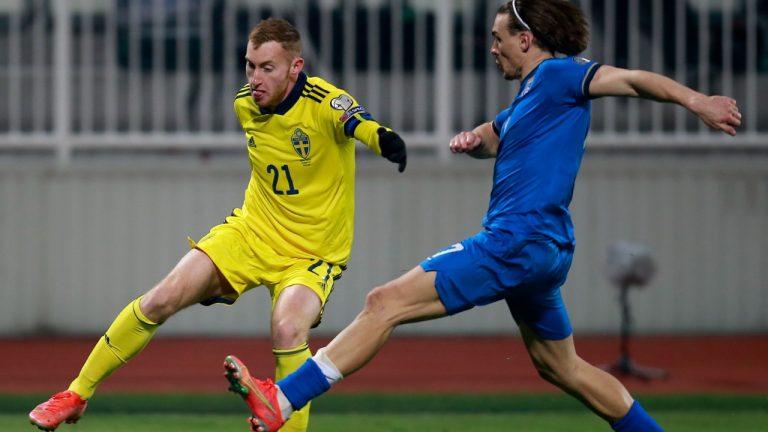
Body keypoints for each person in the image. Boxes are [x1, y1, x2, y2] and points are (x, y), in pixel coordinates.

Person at [225, 1, 743, 431]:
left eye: (499, 37)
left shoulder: (561, 74)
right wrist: (475, 140)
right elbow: (495, 135)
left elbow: (631, 80)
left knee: (385, 302)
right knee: (560, 366)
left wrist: (699, 102)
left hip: (517, 241)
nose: (492, 47)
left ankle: (284, 399)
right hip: (545, 251)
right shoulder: (530, 97)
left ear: (528, 37)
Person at [28, 17, 407, 432]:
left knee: (287, 326)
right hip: (250, 233)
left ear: (295, 68)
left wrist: (384, 141)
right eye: (250, 65)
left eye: (267, 68)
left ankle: (282, 415)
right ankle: (76, 394)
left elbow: (359, 123)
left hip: (312, 253)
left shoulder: (324, 100)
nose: (255, 78)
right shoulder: (245, 103)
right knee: (161, 297)